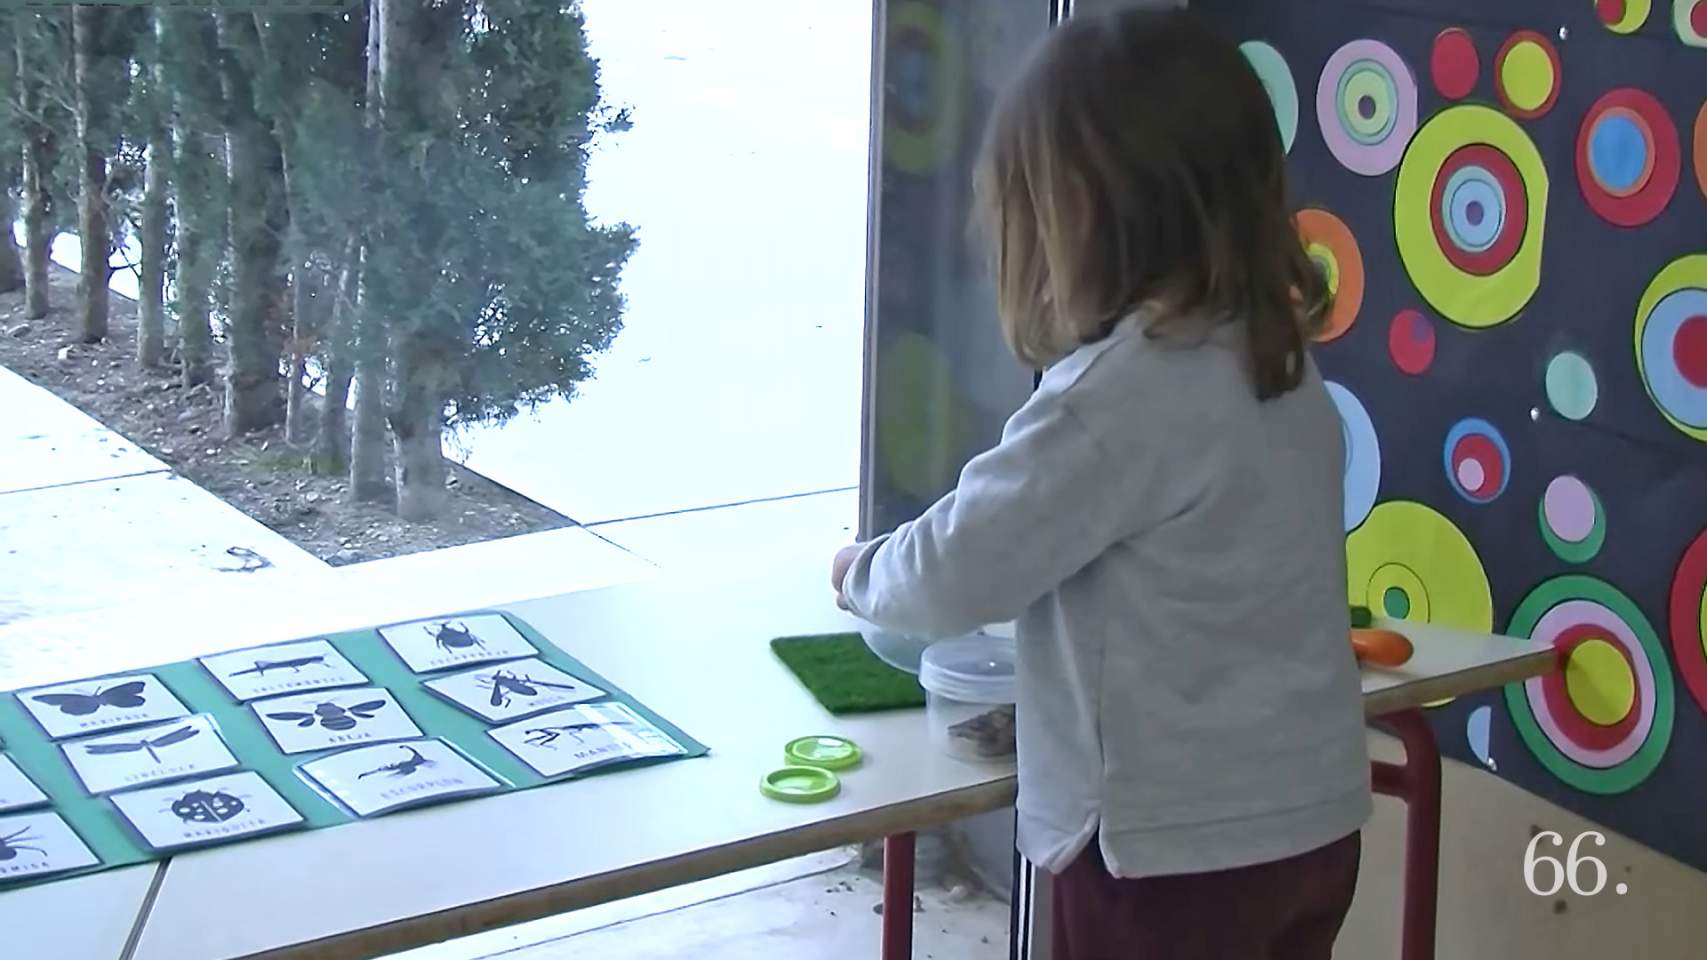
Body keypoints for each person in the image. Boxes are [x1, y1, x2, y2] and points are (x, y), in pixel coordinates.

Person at [831, 8, 1372, 958]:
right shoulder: (1273, 360)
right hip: (1311, 825)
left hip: (1166, 860)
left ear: (1080, 219)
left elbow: (956, 568)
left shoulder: (1119, 396)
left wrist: (856, 571)